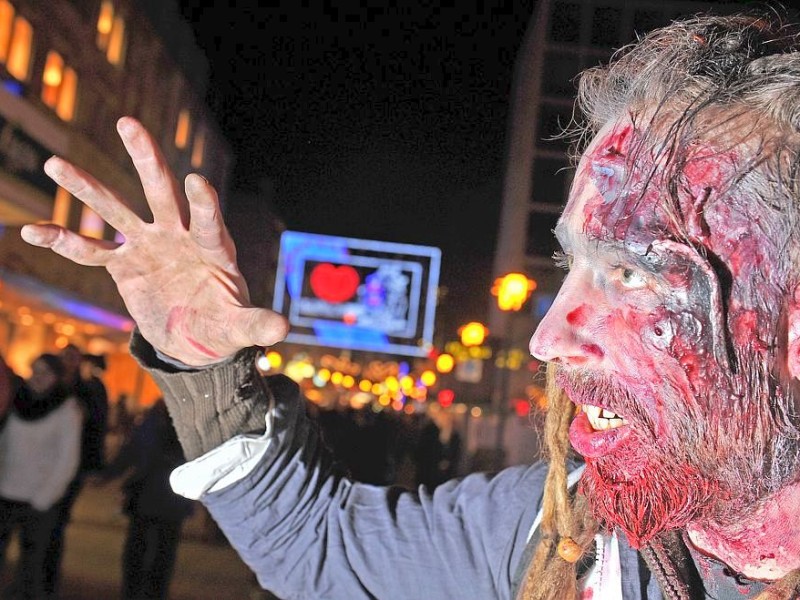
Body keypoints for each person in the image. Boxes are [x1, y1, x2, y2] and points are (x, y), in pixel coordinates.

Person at [19, 9, 800, 599]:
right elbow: (323, 545)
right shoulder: (557, 534)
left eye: (631, 272)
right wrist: (206, 365)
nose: (549, 339)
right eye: (571, 263)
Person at [0, 354, 83, 599]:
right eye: (34, 370)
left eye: (45, 372)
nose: (38, 377)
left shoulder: (67, 409)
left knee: (32, 565)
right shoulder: (17, 402)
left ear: (57, 377)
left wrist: (45, 497)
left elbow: (67, 459)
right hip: (6, 492)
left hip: (39, 499)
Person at [98, 398, 194, 600]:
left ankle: (148, 593)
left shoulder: (184, 420)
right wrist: (107, 475)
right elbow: (132, 450)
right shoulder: (154, 418)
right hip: (148, 496)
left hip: (168, 499)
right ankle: (135, 592)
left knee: (159, 554)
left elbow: (133, 451)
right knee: (140, 551)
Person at [43, 345, 109, 597]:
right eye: (65, 358)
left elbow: (98, 427)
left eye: (73, 358)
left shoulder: (90, 389)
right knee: (40, 521)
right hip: (41, 465)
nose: (69, 363)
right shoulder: (52, 386)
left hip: (74, 466)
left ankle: (48, 580)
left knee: (56, 521)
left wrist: (94, 466)